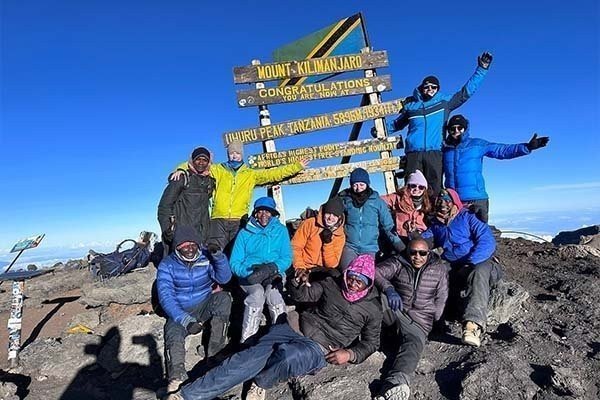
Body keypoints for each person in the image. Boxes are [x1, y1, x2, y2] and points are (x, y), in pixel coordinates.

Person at [166, 254, 382, 400]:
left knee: (289, 357)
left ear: (368, 282)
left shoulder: (373, 309)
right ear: (347, 274)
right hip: (293, 327)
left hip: (320, 346)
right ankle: (186, 395)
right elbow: (303, 296)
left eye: (360, 280)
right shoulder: (330, 285)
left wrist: (350, 354)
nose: (353, 283)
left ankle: (260, 383)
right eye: (351, 277)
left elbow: (371, 342)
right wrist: (296, 283)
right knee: (245, 359)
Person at [380, 52, 493, 195]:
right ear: (422, 88)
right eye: (427, 87)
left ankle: (433, 209)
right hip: (414, 153)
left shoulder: (444, 103)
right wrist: (380, 130)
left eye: (434, 87)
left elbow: (465, 93)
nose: (430, 90)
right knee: (411, 189)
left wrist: (482, 69)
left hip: (435, 152)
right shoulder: (411, 106)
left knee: (434, 190)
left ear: (437, 89)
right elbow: (397, 124)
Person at [171, 140, 308, 253]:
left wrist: (297, 166)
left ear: (242, 154)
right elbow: (194, 164)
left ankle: (236, 278)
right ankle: (217, 278)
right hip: (218, 219)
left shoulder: (250, 174)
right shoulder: (218, 170)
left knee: (236, 251)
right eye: (231, 153)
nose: (234, 156)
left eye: (237, 153)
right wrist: (181, 169)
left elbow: (273, 174)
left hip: (239, 219)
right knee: (216, 252)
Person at [156, 225, 232, 393]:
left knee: (223, 298)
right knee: (173, 332)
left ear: (198, 244)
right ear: (177, 247)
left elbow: (224, 278)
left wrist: (218, 256)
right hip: (180, 310)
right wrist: (185, 320)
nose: (189, 249)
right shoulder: (167, 265)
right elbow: (166, 297)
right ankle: (177, 376)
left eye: (193, 244)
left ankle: (215, 354)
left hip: (204, 304)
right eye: (184, 245)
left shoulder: (205, 257)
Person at [422, 188, 499, 347]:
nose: (443, 205)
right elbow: (425, 239)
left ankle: (472, 325)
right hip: (454, 265)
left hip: (480, 262)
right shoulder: (437, 224)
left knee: (478, 272)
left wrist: (471, 262)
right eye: (440, 201)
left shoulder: (469, 216)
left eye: (447, 201)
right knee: (434, 271)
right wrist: (414, 238)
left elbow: (487, 241)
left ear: (455, 202)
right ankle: (432, 319)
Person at [373, 238, 448, 400]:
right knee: (376, 297)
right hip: (397, 310)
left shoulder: (439, 269)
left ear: (429, 253)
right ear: (407, 252)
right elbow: (376, 272)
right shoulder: (398, 262)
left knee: (413, 346)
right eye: (413, 252)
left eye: (422, 253)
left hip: (419, 321)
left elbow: (442, 296)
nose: (417, 257)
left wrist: (437, 319)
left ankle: (394, 384)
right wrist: (389, 289)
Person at [443, 114, 550, 222]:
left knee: (479, 231)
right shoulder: (445, 149)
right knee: (453, 231)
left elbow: (501, 150)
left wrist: (527, 147)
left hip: (476, 199)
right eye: (452, 128)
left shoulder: (477, 145)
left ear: (465, 129)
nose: (456, 131)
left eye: (460, 128)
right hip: (452, 201)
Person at [230, 197, 292, 343]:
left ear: (273, 214)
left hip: (274, 272)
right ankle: (248, 340)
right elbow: (234, 262)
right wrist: (249, 273)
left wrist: (272, 268)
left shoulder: (281, 230)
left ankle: (282, 336)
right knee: (257, 294)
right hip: (250, 274)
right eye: (260, 211)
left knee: (273, 294)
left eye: (268, 211)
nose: (264, 215)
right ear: (255, 213)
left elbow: (287, 257)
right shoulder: (245, 233)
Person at [338, 168, 404, 269]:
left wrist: (402, 249)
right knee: (346, 272)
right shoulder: (346, 201)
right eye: (355, 185)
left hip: (370, 248)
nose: (358, 188)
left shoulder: (377, 202)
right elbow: (333, 213)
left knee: (365, 274)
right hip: (350, 247)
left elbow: (388, 227)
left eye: (361, 184)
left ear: (367, 184)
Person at [157, 146, 215, 254]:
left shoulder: (209, 182)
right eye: (198, 159)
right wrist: (169, 230)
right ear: (192, 161)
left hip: (200, 236)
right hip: (181, 236)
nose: (201, 163)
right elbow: (164, 207)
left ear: (208, 163)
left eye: (205, 160)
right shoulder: (181, 178)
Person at [291, 196, 346, 273]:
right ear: (324, 213)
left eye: (335, 215)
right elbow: (295, 247)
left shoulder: (340, 235)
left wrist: (328, 243)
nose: (330, 218)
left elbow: (332, 264)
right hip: (305, 267)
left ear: (339, 217)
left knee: (335, 275)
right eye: (328, 213)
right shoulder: (310, 224)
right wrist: (300, 267)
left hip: (324, 270)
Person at [381, 169, 432, 243]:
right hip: (402, 235)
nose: (417, 189)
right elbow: (380, 200)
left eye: (421, 187)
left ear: (424, 189)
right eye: (413, 186)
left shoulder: (425, 201)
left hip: (420, 233)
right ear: (408, 186)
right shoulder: (398, 197)